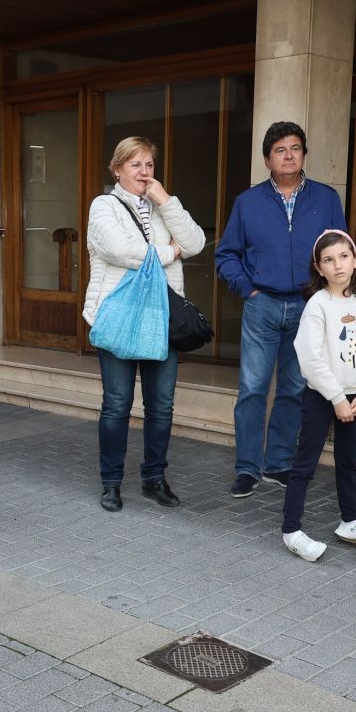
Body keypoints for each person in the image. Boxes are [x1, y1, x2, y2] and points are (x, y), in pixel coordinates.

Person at [215, 121, 348, 498]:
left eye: (295, 148)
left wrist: (329, 294)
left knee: (293, 389)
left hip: (309, 307)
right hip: (263, 305)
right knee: (253, 388)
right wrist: (248, 290)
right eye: (280, 150)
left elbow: (341, 248)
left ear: (304, 154)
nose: (288, 155)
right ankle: (247, 468)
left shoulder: (325, 199)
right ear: (267, 159)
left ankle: (278, 463)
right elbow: (226, 254)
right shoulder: (248, 202)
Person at [83, 135, 206, 511]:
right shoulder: (104, 206)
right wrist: (170, 252)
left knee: (162, 406)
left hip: (161, 318)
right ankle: (111, 483)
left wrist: (166, 201)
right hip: (119, 317)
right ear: (117, 169)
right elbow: (122, 250)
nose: (144, 171)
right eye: (135, 164)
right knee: (117, 404)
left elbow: (197, 242)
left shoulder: (161, 205)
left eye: (149, 164)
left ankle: (154, 478)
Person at [281, 231, 356, 561]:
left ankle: (351, 520)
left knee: (348, 462)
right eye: (328, 259)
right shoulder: (318, 304)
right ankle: (291, 529)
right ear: (318, 267)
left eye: (343, 256)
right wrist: (337, 397)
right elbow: (310, 357)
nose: (337, 264)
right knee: (305, 463)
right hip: (323, 397)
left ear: (355, 258)